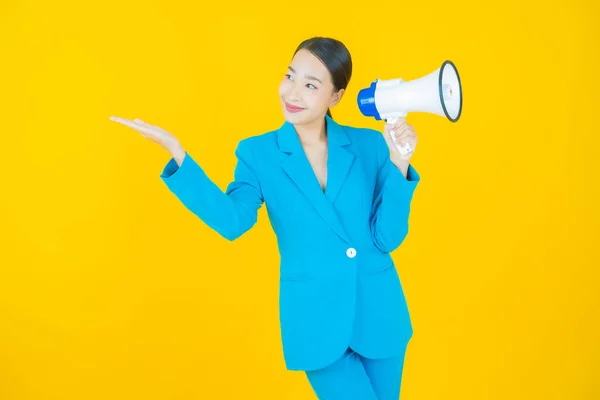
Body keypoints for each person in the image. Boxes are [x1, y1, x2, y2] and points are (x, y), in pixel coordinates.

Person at [110, 36, 420, 400]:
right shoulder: (258, 153)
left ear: (335, 97)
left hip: (379, 314)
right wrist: (177, 154)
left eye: (310, 85)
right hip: (316, 322)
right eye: (290, 76)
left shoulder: (369, 145)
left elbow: (388, 237)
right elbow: (232, 220)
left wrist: (400, 163)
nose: (292, 92)